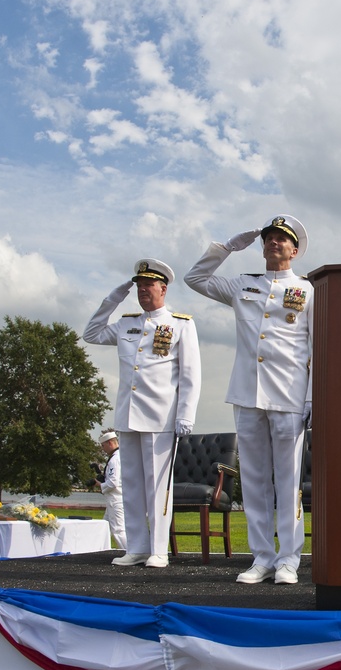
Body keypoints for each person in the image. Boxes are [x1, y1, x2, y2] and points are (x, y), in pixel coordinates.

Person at [185, 215, 312, 585]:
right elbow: (196, 279)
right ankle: (262, 557)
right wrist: (227, 247)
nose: (274, 243)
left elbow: (315, 346)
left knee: (287, 481)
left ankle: (289, 558)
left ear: (295, 249)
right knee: (254, 480)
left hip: (289, 394)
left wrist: (310, 399)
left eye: (282, 239)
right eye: (269, 238)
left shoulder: (309, 289)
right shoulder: (243, 285)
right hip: (248, 392)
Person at [83, 258, 202, 568]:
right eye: (138, 285)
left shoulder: (181, 324)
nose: (143, 290)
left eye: (148, 285)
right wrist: (114, 298)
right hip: (127, 415)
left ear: (163, 288)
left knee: (157, 488)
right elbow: (91, 334)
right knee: (132, 485)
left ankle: (159, 550)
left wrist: (185, 415)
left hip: (161, 417)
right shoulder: (126, 323)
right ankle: (136, 547)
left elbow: (190, 374)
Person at [95, 429, 127, 550]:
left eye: (103, 446)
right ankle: (99, 550)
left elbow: (113, 482)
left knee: (118, 530)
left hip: (116, 499)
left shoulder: (115, 460)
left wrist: (100, 485)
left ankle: (130, 552)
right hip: (113, 500)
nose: (103, 449)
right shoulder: (119, 456)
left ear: (110, 443)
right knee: (105, 526)